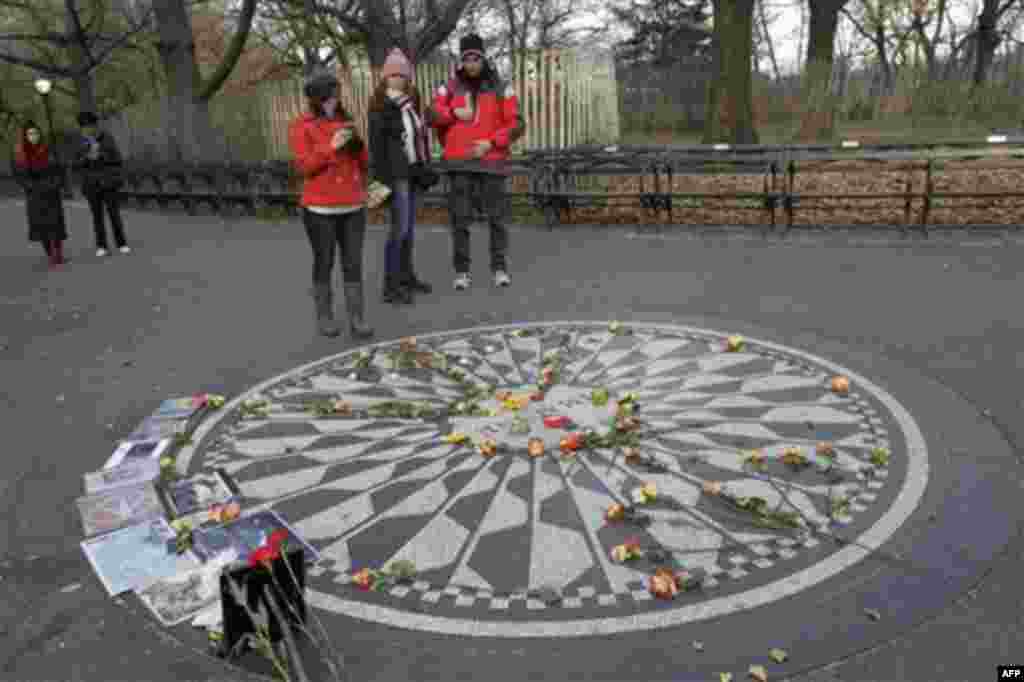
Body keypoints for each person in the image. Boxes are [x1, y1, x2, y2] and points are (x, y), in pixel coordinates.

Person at [427, 33, 524, 291]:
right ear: (461, 60)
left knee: (497, 220)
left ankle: (499, 268)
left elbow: (517, 123)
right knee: (460, 220)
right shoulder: (448, 87)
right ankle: (462, 272)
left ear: (483, 58)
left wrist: (491, 143)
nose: (471, 63)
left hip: (491, 162)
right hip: (459, 163)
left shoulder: (501, 87)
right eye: (467, 58)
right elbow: (431, 114)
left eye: (476, 58)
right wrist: (453, 113)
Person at [288, 67, 374, 339]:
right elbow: (304, 168)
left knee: (353, 263)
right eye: (327, 97)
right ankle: (325, 316)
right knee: (324, 261)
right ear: (315, 98)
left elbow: (362, 164)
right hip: (319, 209)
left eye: (335, 96)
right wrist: (331, 147)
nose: (333, 102)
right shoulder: (302, 126)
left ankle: (357, 318)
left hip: (353, 205)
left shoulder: (347, 122)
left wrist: (358, 147)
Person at [368, 48, 434, 305]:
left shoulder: (410, 105)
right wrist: (383, 182)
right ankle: (390, 286)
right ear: (385, 77)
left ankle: (406, 277)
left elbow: (414, 140)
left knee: (408, 231)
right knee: (398, 231)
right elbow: (377, 148)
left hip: (411, 174)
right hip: (394, 177)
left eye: (402, 74)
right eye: (392, 74)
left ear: (408, 77)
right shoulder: (381, 107)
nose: (397, 78)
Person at [12, 121, 68, 269]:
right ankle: (50, 253)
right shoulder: (20, 154)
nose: (33, 136)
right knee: (41, 226)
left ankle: (58, 253)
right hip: (35, 194)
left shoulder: (49, 150)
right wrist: (32, 187)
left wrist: (57, 184)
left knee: (56, 224)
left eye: (35, 133)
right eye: (30, 134)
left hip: (51, 191)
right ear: (25, 136)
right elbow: (19, 176)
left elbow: (59, 169)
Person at [75, 111, 129, 257]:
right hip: (91, 184)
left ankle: (121, 243)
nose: (87, 129)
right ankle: (101, 245)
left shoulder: (107, 138)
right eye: (84, 127)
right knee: (97, 216)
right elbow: (75, 164)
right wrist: (87, 158)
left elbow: (117, 159)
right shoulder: (79, 142)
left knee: (114, 214)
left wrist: (101, 156)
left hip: (108, 181)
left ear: (95, 125)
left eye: (90, 126)